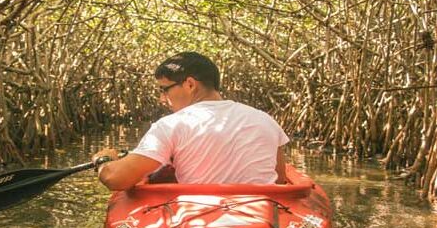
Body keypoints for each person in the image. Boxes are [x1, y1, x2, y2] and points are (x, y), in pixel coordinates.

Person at [92, 51, 289, 190]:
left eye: (164, 89)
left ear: (190, 84)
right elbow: (279, 180)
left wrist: (104, 160)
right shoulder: (265, 120)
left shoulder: (171, 125)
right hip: (262, 216)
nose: (162, 99)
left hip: (199, 221)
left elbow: (115, 179)